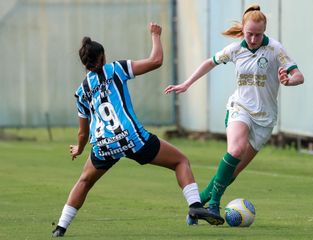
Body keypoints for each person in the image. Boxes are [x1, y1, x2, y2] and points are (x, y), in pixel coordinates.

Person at [52, 23, 224, 237]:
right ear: (103, 57)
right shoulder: (114, 69)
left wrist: (78, 149)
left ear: (84, 63)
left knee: (84, 181)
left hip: (103, 144)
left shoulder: (81, 92)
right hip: (131, 137)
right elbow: (156, 61)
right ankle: (195, 205)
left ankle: (60, 227)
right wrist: (155, 35)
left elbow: (82, 133)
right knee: (181, 161)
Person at [164, 5, 304, 225]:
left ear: (264, 30)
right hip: (240, 108)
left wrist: (289, 80)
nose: (253, 38)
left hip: (265, 119)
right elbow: (209, 62)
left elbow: (298, 75)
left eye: (258, 34)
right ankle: (214, 205)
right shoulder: (235, 49)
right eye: (249, 33)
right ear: (244, 29)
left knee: (232, 172)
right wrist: (186, 83)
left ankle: (197, 206)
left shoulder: (275, 49)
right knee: (235, 149)